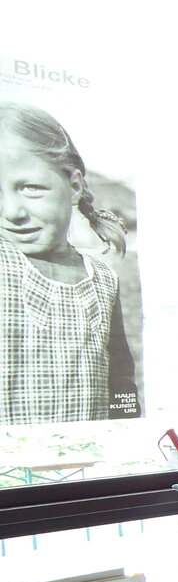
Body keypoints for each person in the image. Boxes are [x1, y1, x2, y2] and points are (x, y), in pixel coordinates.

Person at [0, 101, 138, 425]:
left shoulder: (102, 279)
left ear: (74, 186)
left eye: (31, 188)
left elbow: (122, 383)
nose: (11, 212)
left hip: (87, 469)